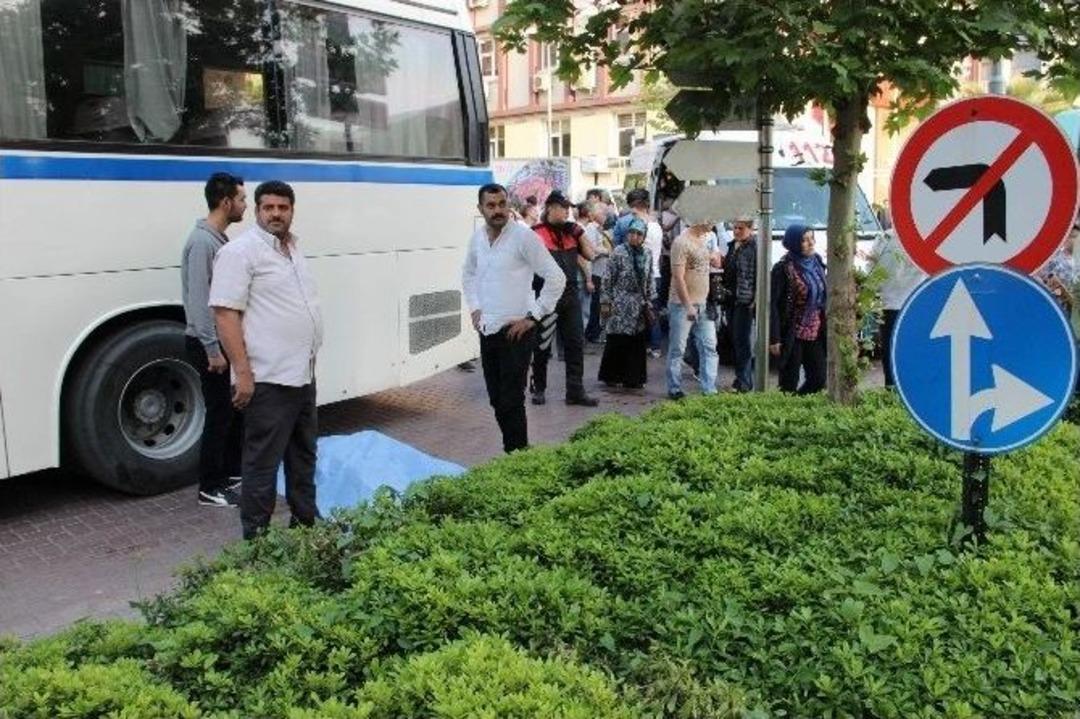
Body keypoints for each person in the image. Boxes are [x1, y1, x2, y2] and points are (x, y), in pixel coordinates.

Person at [210, 180, 323, 540]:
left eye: (283, 207)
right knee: (261, 465)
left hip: (302, 376)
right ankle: (256, 543)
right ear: (257, 211)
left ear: (292, 210)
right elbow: (225, 314)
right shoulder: (240, 253)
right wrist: (242, 373)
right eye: (268, 207)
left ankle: (305, 529)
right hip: (268, 380)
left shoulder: (293, 248)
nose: (276, 213)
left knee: (303, 458)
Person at [462, 183, 565, 452]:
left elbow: (557, 278)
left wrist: (533, 317)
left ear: (509, 205)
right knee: (497, 399)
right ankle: (516, 452)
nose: (498, 210)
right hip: (487, 329)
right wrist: (474, 307)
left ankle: (517, 457)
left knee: (511, 399)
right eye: (491, 205)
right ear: (480, 208)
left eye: (502, 204)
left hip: (516, 331)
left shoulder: (524, 237)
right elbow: (469, 273)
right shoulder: (477, 239)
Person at [181, 172, 247, 507]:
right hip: (209, 346)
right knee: (219, 412)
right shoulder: (203, 242)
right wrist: (212, 349)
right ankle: (210, 486)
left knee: (233, 410)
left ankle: (232, 471)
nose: (245, 205)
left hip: (219, 343)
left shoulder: (216, 241)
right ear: (226, 202)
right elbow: (199, 301)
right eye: (242, 199)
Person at [529, 191, 599, 407]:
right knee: (542, 345)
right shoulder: (535, 233)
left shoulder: (572, 232)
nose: (567, 211)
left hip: (570, 295)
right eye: (563, 207)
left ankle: (575, 391)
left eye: (569, 207)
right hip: (547, 297)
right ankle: (538, 388)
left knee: (575, 344)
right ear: (550, 207)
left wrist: (579, 232)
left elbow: (590, 254)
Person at [769, 224, 827, 395]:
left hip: (815, 329)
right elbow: (773, 304)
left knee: (818, 378)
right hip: (792, 331)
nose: (810, 243)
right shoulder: (783, 268)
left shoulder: (817, 262)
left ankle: (801, 408)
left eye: (812, 238)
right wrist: (774, 338)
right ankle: (786, 415)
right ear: (794, 243)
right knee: (788, 382)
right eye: (804, 240)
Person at [598, 217, 655, 389]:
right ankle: (612, 376)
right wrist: (606, 302)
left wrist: (650, 301)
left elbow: (650, 277)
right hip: (620, 303)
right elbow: (607, 279)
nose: (634, 237)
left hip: (639, 304)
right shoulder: (619, 252)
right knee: (617, 340)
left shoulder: (647, 253)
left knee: (636, 342)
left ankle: (634, 378)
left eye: (639, 234)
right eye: (631, 233)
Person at [667, 221, 719, 399]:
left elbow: (715, 264)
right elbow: (678, 277)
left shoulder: (706, 239)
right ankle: (674, 388)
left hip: (703, 302)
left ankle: (709, 389)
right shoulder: (681, 242)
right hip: (683, 304)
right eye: (710, 218)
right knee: (678, 349)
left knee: (709, 346)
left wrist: (714, 256)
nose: (714, 223)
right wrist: (688, 304)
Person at [868, 228, 926, 387]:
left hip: (889, 305)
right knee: (913, 352)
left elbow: (870, 272)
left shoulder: (883, 239)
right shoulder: (923, 238)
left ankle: (892, 390)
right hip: (915, 304)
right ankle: (911, 391)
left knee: (891, 352)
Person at [724, 215, 758, 392]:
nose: (736, 231)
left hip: (744, 301)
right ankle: (740, 378)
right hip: (731, 299)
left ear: (750, 229)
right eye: (735, 228)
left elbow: (759, 275)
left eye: (741, 228)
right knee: (735, 340)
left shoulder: (754, 247)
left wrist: (754, 299)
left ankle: (744, 382)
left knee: (743, 341)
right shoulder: (733, 246)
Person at [583, 201, 613, 343]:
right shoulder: (590, 228)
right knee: (595, 305)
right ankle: (592, 333)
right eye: (604, 214)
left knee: (601, 304)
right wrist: (608, 251)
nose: (606, 217)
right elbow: (591, 249)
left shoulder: (600, 229)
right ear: (597, 214)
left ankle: (596, 332)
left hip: (602, 272)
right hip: (595, 272)